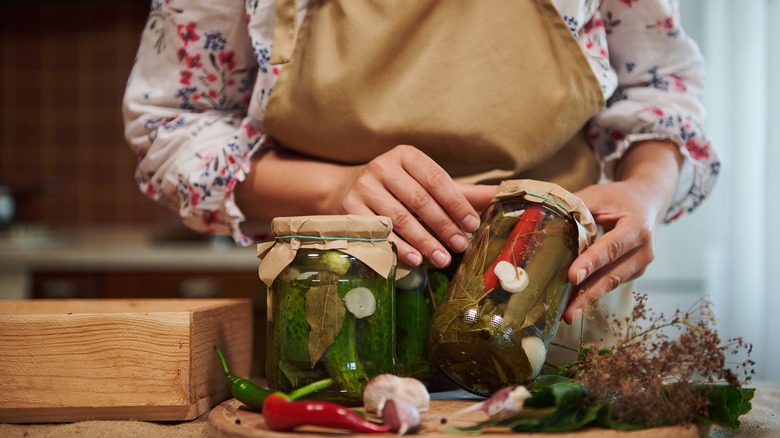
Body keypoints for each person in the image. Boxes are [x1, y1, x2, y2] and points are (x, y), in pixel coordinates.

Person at [122, 0, 718, 327]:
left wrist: (645, 189)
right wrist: (336, 189)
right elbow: (170, 130)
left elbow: (660, 90)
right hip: (331, 327)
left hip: (553, 312)